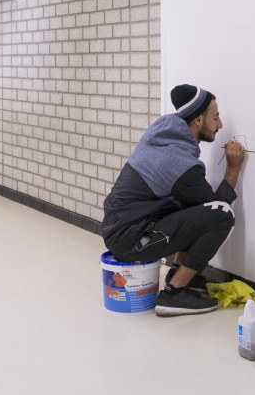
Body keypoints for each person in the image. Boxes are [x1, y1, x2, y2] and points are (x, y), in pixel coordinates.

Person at [102, 84, 246, 316]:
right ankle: (174, 293)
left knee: (191, 206)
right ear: (198, 121)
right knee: (222, 215)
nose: (220, 125)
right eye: (216, 117)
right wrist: (233, 169)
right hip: (131, 239)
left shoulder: (164, 134)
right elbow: (217, 207)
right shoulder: (178, 163)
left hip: (120, 229)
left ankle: (175, 275)